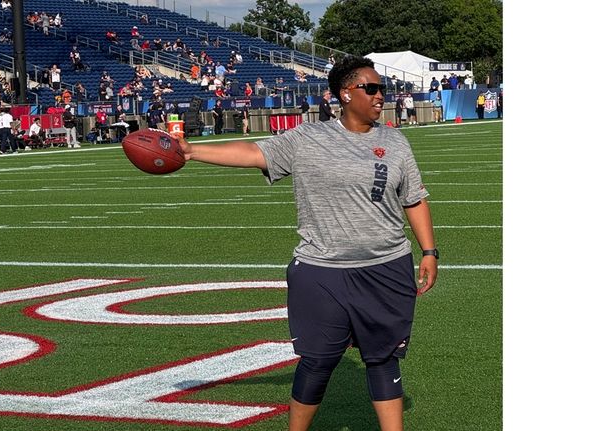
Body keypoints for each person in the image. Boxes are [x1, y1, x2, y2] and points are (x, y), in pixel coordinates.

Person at [170, 54, 437, 431]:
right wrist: (193, 151)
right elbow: (254, 152)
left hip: (387, 266)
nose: (381, 96)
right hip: (322, 270)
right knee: (317, 361)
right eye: (372, 88)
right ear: (345, 94)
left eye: (383, 89)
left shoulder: (395, 142)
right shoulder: (309, 138)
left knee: (383, 358)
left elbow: (414, 197)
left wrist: (429, 250)